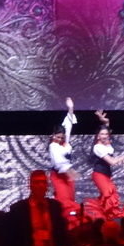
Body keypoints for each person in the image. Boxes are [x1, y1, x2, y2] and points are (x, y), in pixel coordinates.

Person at [85, 110, 124, 220]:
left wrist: (105, 122)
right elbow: (111, 162)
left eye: (106, 134)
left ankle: (102, 218)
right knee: (109, 194)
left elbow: (107, 132)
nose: (104, 136)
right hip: (99, 174)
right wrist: (122, 157)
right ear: (97, 136)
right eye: (102, 134)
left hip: (106, 175)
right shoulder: (98, 147)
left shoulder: (106, 144)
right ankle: (109, 218)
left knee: (107, 196)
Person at [49, 96, 80, 228]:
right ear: (53, 136)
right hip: (59, 176)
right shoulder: (53, 146)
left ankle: (71, 225)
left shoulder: (64, 141)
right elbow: (59, 163)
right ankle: (64, 226)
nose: (60, 139)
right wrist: (70, 171)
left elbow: (68, 124)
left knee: (70, 198)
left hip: (68, 176)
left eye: (61, 137)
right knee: (64, 200)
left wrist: (71, 108)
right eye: (57, 137)